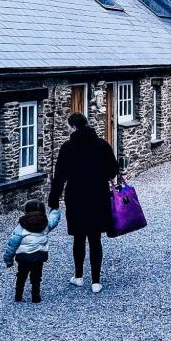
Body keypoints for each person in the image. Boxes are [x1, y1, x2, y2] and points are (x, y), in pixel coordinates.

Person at [48, 111, 119, 293]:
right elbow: (112, 171)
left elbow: (59, 177)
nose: (67, 130)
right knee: (95, 239)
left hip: (76, 197)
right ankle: (96, 281)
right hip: (98, 196)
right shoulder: (102, 145)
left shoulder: (68, 148)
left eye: (67, 127)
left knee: (79, 238)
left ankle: (78, 276)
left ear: (74, 127)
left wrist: (54, 201)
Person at [3, 199, 61, 304]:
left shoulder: (21, 227)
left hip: (24, 257)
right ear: (43, 211)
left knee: (21, 275)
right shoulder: (45, 224)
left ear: (26, 211)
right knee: (37, 276)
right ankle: (36, 297)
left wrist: (8, 260)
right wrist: (55, 209)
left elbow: (12, 245)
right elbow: (54, 219)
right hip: (39, 256)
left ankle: (18, 296)